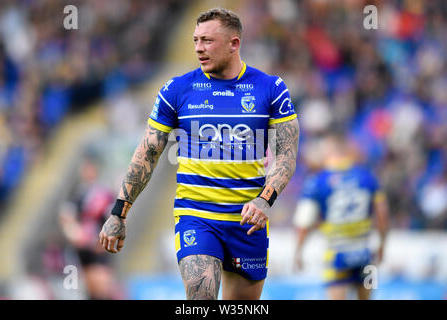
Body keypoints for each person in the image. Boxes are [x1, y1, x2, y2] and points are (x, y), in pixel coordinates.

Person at [99, 7, 299, 300]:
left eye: (207, 40)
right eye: (195, 40)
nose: (198, 48)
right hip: (197, 216)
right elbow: (148, 151)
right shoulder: (177, 90)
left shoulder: (270, 88)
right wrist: (120, 211)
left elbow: (286, 155)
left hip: (248, 222)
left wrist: (264, 199)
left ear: (234, 43)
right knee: (201, 296)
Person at [293, 132, 389, 300]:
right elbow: (383, 215)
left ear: (327, 152)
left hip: (337, 254)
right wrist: (382, 246)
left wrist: (298, 252)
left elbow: (304, 221)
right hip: (366, 252)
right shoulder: (367, 176)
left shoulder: (316, 182)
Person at [59, 156, 120, 300]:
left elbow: (113, 217)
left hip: (100, 244)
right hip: (84, 247)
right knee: (90, 287)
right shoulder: (76, 194)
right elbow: (66, 217)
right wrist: (74, 234)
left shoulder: (104, 193)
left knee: (102, 285)